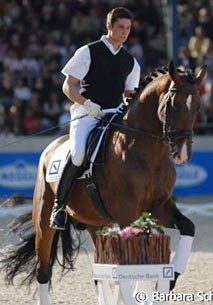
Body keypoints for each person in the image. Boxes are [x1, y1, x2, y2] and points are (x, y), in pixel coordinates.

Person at [50, 7, 141, 230]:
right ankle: (59, 207)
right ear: (109, 26)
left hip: (115, 114)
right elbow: (68, 86)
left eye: (128, 28)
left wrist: (129, 103)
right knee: (79, 153)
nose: (124, 32)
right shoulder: (88, 52)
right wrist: (87, 104)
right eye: (120, 27)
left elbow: (129, 94)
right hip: (87, 113)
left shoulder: (131, 62)